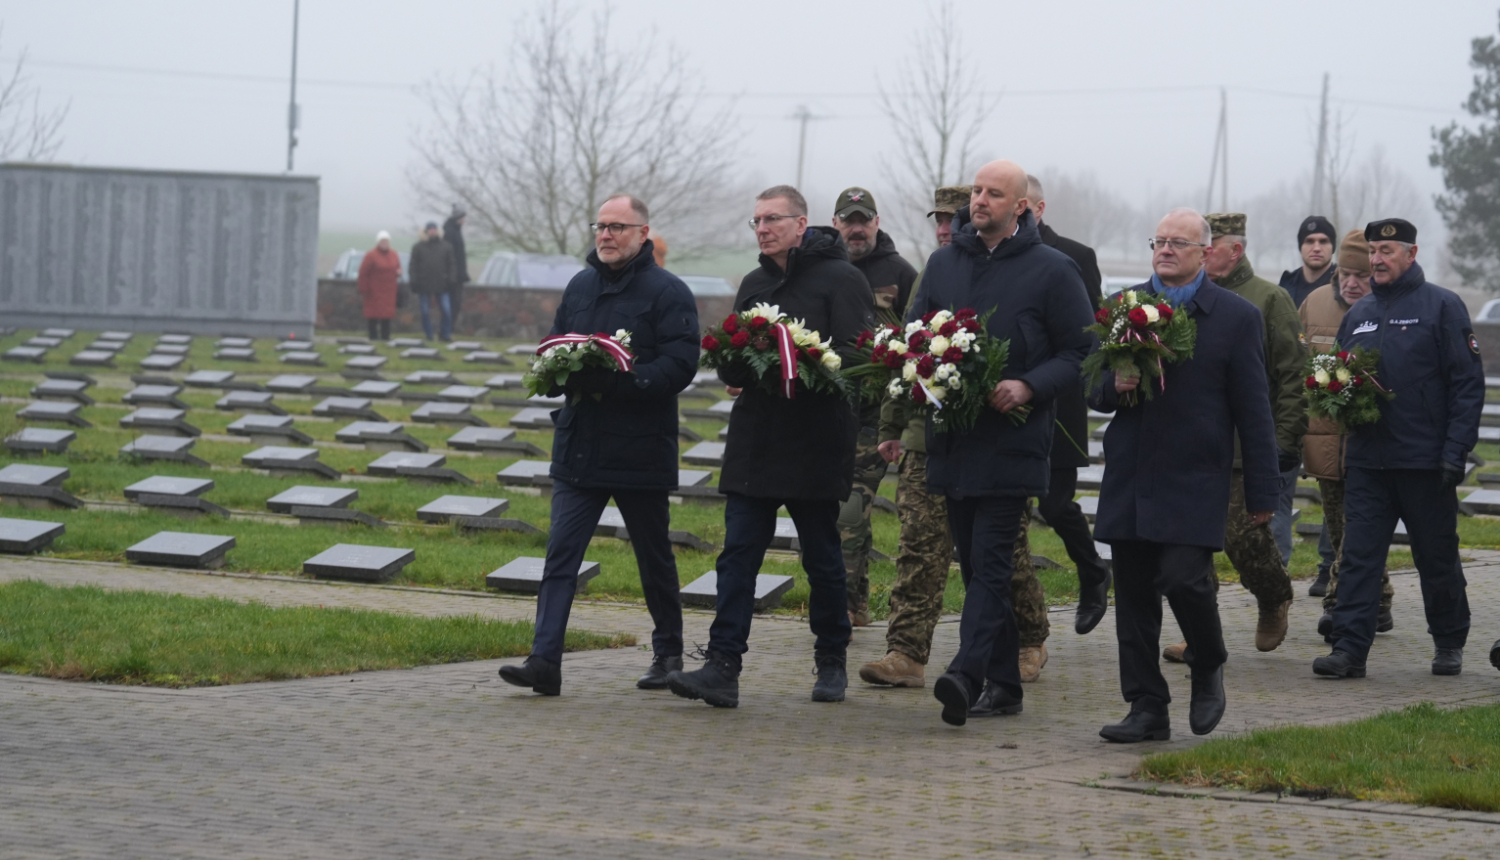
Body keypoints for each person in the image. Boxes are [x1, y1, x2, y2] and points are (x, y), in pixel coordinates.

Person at [667, 184, 874, 708]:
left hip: (816, 439)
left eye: (772, 220)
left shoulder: (843, 279)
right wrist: (734, 359)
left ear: (801, 225)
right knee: (737, 556)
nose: (762, 228)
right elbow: (736, 359)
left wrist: (801, 361)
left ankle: (832, 659)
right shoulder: (755, 283)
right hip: (757, 438)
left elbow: (859, 358)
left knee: (823, 558)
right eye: (756, 221)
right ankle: (722, 666)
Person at [906, 160, 1093, 727]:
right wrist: (920, 366)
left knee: (989, 561)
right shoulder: (942, 263)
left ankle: (966, 671)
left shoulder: (1053, 271)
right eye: (976, 191)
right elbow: (915, 334)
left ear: (1022, 208)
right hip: (954, 439)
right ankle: (1006, 687)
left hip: (1014, 441)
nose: (980, 200)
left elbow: (1080, 352)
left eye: (994, 193)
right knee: (976, 562)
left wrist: (1028, 384)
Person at [1090, 207, 1279, 743]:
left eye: (1179, 243)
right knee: (1132, 599)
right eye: (1159, 241)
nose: (1166, 250)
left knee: (1183, 580)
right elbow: (1092, 388)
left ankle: (1208, 661)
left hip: (1194, 477)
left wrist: (1263, 490)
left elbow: (1254, 412)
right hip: (1131, 473)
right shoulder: (1121, 309)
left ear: (1205, 253)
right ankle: (1146, 708)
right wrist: (1114, 386)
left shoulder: (1236, 317)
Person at [498, 194, 699, 696]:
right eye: (600, 227)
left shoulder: (668, 291)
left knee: (653, 558)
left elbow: (680, 365)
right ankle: (544, 660)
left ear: (642, 232)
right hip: (580, 446)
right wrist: (549, 373)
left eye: (617, 227)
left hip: (639, 448)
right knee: (560, 557)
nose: (605, 235)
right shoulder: (580, 285)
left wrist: (623, 383)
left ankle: (668, 651)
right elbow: (552, 343)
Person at [1315, 218, 1483, 679]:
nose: (1377, 259)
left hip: (1425, 462)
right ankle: (1350, 649)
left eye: (1387, 250)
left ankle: (1449, 642)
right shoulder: (1360, 312)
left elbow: (1466, 385)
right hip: (1369, 461)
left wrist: (1455, 451)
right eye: (1373, 251)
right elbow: (1341, 377)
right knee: (1359, 557)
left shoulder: (1442, 307)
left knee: (1437, 557)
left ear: (1411, 253)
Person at [1161, 213, 1303, 661]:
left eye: (1210, 245)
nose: (1200, 253)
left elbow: (1291, 376)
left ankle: (1273, 593)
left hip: (1246, 449)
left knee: (1244, 540)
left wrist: (1281, 443)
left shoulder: (1268, 299)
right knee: (1190, 545)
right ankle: (1200, 633)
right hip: (1193, 448)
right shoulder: (1183, 295)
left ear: (1233, 249)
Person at [860, 185, 974, 689]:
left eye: (956, 220)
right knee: (918, 549)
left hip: (988, 442)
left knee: (1003, 559)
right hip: (926, 437)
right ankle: (905, 653)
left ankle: (1027, 638)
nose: (946, 229)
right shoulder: (934, 269)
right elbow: (908, 350)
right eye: (941, 221)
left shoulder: (1030, 269)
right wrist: (891, 426)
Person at [1027, 173, 1114, 639]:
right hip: (1009, 397)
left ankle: (1093, 570)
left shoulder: (1076, 257)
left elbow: (1090, 331)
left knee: (1055, 502)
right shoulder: (994, 252)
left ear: (1038, 210)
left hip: (1059, 399)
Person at [1299, 230, 1395, 636]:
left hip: (1373, 443)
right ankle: (1381, 598)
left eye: (1361, 275)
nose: (1352, 283)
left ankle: (1338, 605)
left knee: (1360, 532)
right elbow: (1297, 368)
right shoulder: (1314, 303)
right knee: (1343, 533)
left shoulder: (1389, 310)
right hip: (1325, 440)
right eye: (1345, 274)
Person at [831, 186, 918, 627]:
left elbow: (919, 340)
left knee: (850, 510)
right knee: (837, 514)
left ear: (877, 223)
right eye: (849, 219)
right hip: (827, 413)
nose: (857, 227)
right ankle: (855, 599)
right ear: (836, 224)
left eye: (864, 219)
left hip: (875, 415)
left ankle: (845, 609)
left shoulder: (900, 273)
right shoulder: (823, 269)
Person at [409, 221, 455, 342]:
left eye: (434, 229)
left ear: (438, 231)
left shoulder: (446, 246)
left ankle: (445, 334)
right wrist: (414, 281)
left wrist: (451, 280)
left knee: (446, 310)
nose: (432, 231)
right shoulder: (418, 247)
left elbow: (451, 265)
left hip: (443, 284)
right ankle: (429, 334)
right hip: (424, 284)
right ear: (426, 231)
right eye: (430, 229)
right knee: (424, 312)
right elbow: (413, 266)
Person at [1279, 215, 1338, 308]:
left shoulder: (1344, 285)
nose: (1317, 248)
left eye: (1323, 241)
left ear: (1333, 247)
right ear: (1300, 247)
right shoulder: (1286, 285)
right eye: (1309, 241)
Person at [356, 230, 402, 342]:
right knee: (373, 314)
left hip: (389, 290)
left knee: (387, 315)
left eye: (386, 241)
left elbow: (398, 268)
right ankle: (373, 336)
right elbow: (363, 273)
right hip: (374, 290)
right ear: (378, 242)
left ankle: (386, 336)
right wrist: (364, 288)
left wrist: (398, 272)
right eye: (382, 241)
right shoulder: (371, 255)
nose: (384, 243)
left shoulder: (394, 254)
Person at [442, 206, 470, 336]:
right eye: (463, 217)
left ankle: (448, 329)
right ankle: (446, 330)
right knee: (453, 304)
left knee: (455, 304)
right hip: (453, 276)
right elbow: (451, 256)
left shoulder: (455, 231)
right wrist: (454, 274)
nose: (464, 219)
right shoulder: (450, 232)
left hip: (457, 275)